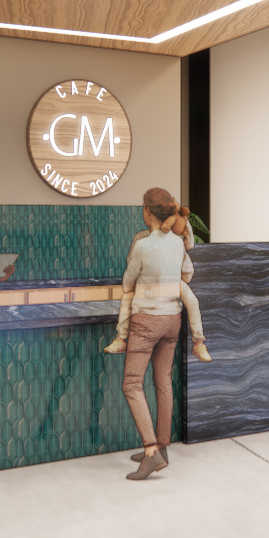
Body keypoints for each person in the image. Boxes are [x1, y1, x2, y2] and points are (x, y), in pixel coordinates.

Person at [109, 188, 202, 480]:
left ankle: (150, 452)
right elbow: (188, 274)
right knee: (163, 381)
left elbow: (128, 280)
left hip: (146, 319)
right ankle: (163, 445)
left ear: (147, 212)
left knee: (132, 384)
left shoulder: (142, 245)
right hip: (173, 319)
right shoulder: (178, 242)